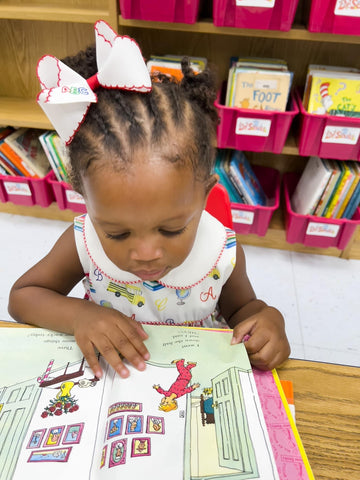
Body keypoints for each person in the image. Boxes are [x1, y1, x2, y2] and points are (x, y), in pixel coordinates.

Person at [8, 20, 290, 380]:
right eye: (118, 234)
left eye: (171, 229)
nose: (145, 253)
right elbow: (22, 296)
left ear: (206, 194)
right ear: (86, 202)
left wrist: (269, 321)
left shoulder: (221, 251)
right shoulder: (83, 241)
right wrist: (81, 316)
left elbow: (245, 309)